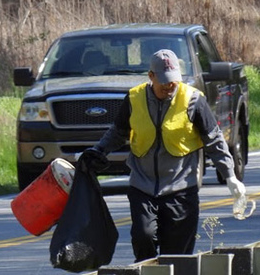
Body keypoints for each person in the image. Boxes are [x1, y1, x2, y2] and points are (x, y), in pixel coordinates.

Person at [80, 49, 246, 262]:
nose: (170, 86)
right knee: (143, 238)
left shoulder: (193, 100)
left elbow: (214, 140)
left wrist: (230, 175)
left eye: (174, 81)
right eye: (164, 81)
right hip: (143, 185)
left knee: (176, 257)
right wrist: (99, 150)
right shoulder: (134, 99)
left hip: (181, 189)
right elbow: (118, 131)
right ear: (151, 77)